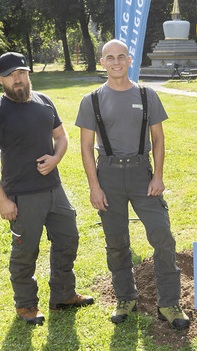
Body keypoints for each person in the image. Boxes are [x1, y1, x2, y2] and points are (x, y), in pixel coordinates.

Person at [75, 39, 189, 329]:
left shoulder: (147, 95)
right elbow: (86, 147)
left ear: (129, 60)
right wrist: (94, 187)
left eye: (121, 57)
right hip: (108, 176)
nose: (116, 62)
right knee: (116, 242)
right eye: (110, 57)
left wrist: (158, 176)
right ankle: (125, 297)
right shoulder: (92, 100)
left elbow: (159, 139)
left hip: (142, 174)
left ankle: (169, 304)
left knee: (162, 235)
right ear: (103, 62)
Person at [0, 52, 93, 326]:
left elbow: (61, 136)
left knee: (68, 239)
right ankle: (27, 305)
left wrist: (56, 158)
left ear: (28, 74)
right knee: (26, 252)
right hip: (22, 195)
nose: (17, 80)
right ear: (0, 80)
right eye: (10, 76)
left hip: (55, 189)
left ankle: (63, 295)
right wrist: (2, 201)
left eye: (21, 73)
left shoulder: (44, 101)